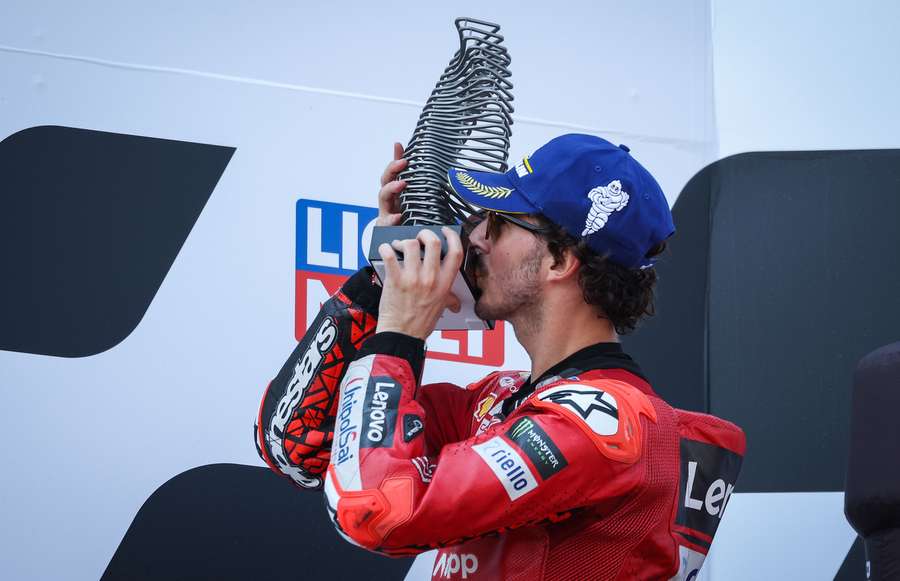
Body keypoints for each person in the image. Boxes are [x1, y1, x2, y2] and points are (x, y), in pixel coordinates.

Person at [255, 134, 746, 580]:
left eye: (497, 222)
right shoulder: (503, 400)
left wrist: (400, 336)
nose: (475, 238)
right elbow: (300, 445)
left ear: (559, 260)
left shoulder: (601, 427)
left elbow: (376, 510)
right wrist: (380, 283)